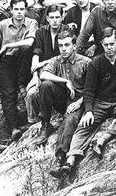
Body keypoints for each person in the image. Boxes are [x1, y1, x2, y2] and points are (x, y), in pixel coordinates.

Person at [50, 28, 116, 178]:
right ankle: (70, 160)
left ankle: (102, 139)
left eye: (112, 44)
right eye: (106, 44)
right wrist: (88, 111)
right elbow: (89, 90)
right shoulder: (96, 63)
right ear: (101, 44)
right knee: (83, 126)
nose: (109, 48)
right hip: (101, 102)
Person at [31, 29, 91, 162]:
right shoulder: (56, 60)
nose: (63, 49)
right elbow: (43, 74)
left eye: (67, 45)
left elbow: (92, 89)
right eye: (60, 46)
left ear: (74, 46)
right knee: (46, 85)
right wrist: (65, 81)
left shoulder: (86, 62)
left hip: (80, 100)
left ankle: (61, 156)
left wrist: (79, 103)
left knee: (69, 120)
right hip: (63, 98)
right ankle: (46, 125)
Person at [0, 0, 38, 141]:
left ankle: (22, 82)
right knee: (9, 94)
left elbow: (30, 42)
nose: (19, 13)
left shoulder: (32, 23)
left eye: (22, 9)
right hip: (6, 61)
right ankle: (14, 128)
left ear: (25, 10)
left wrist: (9, 45)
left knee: (24, 49)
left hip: (24, 61)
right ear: (11, 10)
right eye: (16, 9)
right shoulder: (2, 25)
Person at [25, 4, 68, 124]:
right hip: (43, 71)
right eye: (52, 17)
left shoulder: (67, 31)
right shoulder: (41, 32)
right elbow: (36, 53)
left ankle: (54, 116)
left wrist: (44, 62)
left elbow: (66, 54)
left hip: (61, 71)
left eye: (57, 17)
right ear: (47, 18)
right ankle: (33, 123)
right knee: (31, 93)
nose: (55, 20)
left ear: (62, 17)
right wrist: (34, 76)